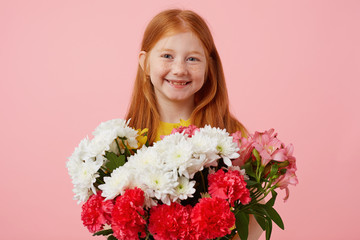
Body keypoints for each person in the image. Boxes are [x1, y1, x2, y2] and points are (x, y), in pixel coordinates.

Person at [126, 9, 263, 240]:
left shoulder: (232, 135)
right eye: (167, 56)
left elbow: (257, 211)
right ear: (145, 63)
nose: (179, 69)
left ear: (209, 67)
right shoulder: (127, 141)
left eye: (192, 59)